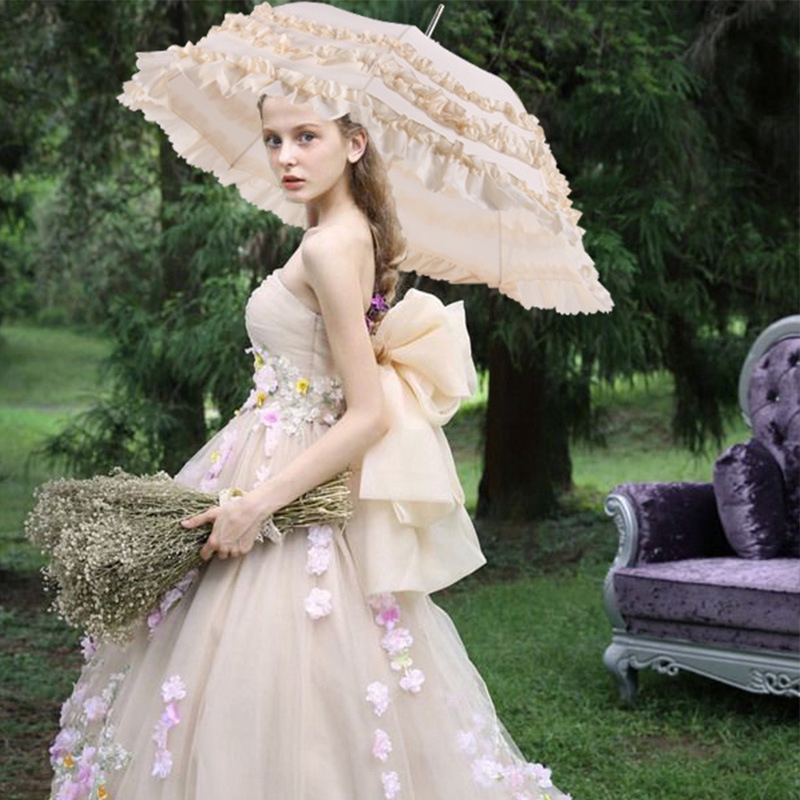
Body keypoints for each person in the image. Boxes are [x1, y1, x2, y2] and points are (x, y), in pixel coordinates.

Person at [47, 96, 572, 800]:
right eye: (273, 140)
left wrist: (254, 506)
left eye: (306, 137)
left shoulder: (331, 246)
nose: (286, 156)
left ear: (354, 144)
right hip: (277, 447)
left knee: (277, 667)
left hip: (285, 477)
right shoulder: (343, 232)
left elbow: (365, 415)